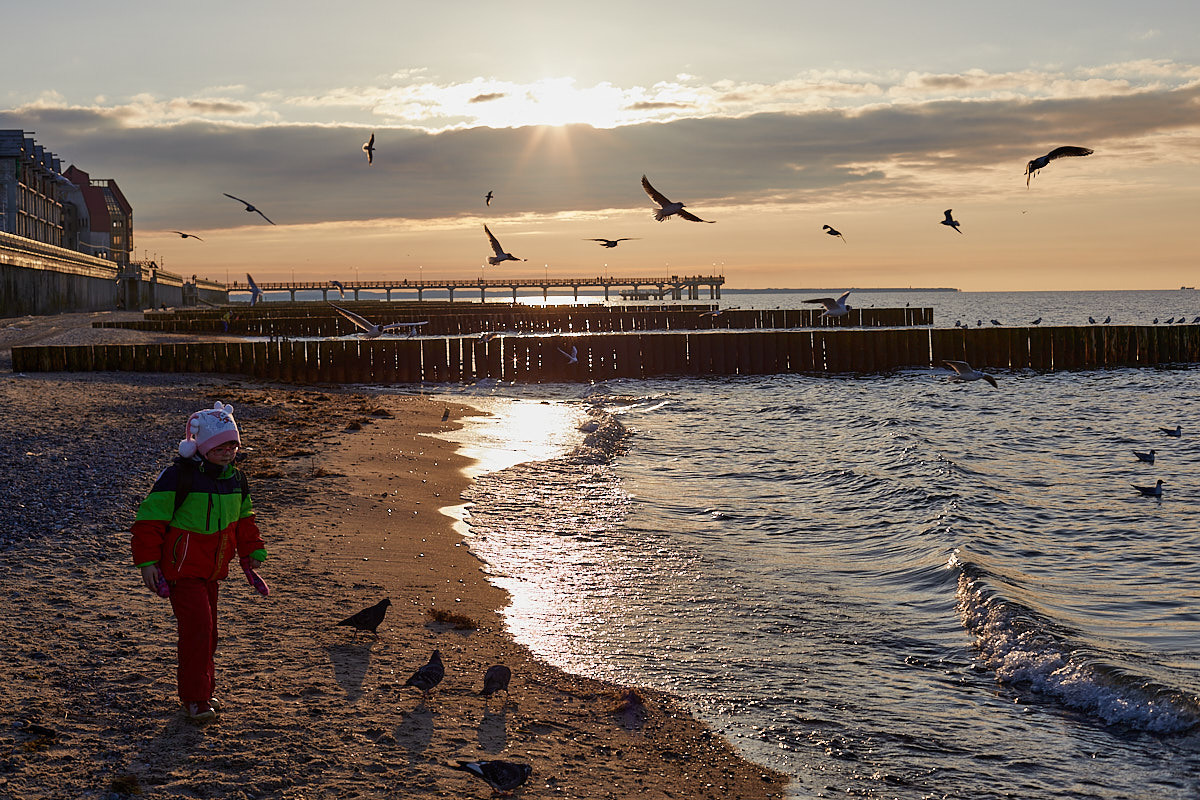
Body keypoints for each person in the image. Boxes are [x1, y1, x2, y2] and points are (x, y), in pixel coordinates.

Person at [130, 401, 267, 722]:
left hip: (212, 571)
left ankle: (203, 692)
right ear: (202, 447)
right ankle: (195, 699)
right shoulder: (178, 477)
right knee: (198, 632)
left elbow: (244, 520)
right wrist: (148, 562)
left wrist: (252, 551)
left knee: (210, 633)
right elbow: (148, 522)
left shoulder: (236, 480)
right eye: (220, 445)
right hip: (182, 571)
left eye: (233, 444)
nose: (228, 451)